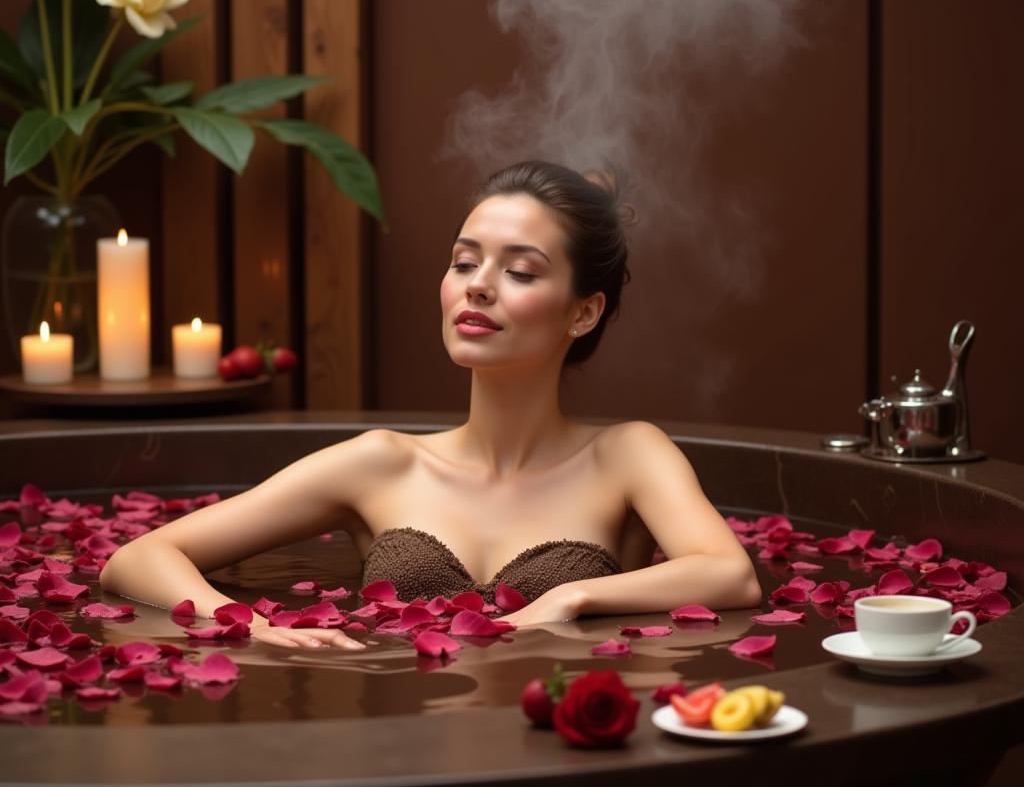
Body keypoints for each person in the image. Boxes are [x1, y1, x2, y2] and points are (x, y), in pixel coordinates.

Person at [99, 160, 763, 651]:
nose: (478, 287)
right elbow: (134, 560)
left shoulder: (626, 455)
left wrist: (574, 594)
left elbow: (729, 576)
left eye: (521, 271)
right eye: (464, 262)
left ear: (585, 312)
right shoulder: (382, 463)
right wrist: (255, 628)